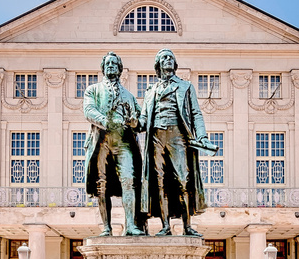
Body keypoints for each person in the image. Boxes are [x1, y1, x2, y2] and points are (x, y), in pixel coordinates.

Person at [139, 48, 217, 237]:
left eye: (170, 58)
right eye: (164, 58)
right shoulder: (151, 90)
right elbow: (143, 119)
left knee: (183, 179)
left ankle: (187, 226)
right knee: (160, 182)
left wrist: (202, 136)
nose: (168, 60)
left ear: (174, 64)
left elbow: (196, 113)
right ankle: (165, 226)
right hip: (156, 137)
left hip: (177, 136)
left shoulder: (185, 86)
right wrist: (131, 120)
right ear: (158, 65)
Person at [83, 52, 145, 236]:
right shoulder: (93, 90)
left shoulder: (130, 96)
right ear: (103, 68)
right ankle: (107, 227)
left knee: (129, 181)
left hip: (123, 142)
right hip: (101, 141)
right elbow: (88, 110)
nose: (111, 66)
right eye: (107, 63)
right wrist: (104, 120)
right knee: (101, 184)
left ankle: (131, 226)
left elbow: (142, 121)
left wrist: (135, 122)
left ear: (119, 69)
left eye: (114, 64)